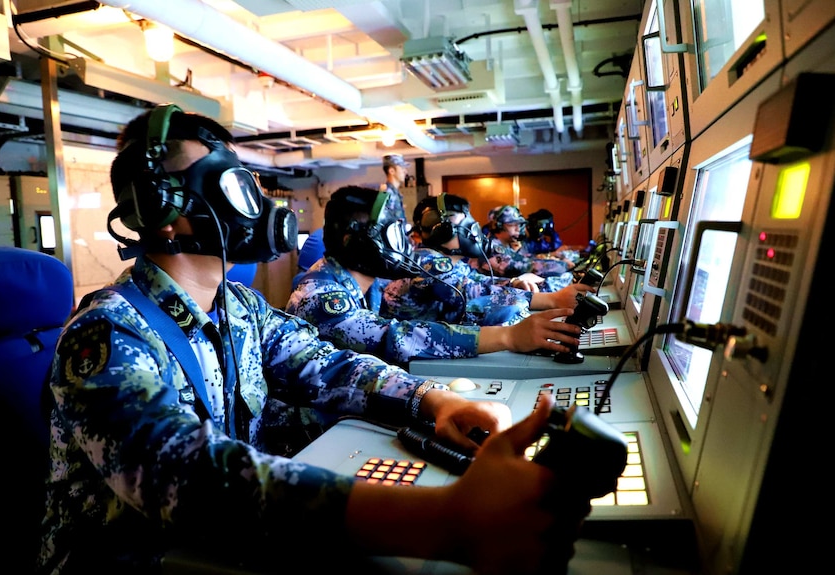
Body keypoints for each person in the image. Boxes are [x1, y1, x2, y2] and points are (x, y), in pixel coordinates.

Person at [38, 105, 587, 575]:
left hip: (209, 548)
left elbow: (326, 365)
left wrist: (431, 401)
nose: (254, 202)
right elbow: (176, 471)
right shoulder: (107, 332)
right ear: (163, 210)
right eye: (232, 184)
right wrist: (442, 520)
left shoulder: (241, 307)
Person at [286, 186, 585, 367]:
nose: (404, 246)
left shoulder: (368, 286)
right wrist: (508, 336)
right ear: (356, 241)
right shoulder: (320, 296)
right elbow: (395, 337)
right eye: (392, 235)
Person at [383, 194, 594, 325]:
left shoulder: (452, 263)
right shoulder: (427, 262)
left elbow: (479, 282)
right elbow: (473, 293)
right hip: (415, 358)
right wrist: (553, 299)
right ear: (441, 232)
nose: (473, 233)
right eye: (464, 226)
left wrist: (514, 282)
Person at [475, 204, 575, 291]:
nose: (518, 228)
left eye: (519, 224)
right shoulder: (492, 248)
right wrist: (564, 265)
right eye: (513, 224)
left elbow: (523, 257)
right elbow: (526, 265)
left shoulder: (505, 245)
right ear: (498, 225)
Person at [379, 153, 409, 221]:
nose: (405, 171)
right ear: (391, 171)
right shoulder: (387, 194)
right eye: (402, 168)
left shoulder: (395, 193)